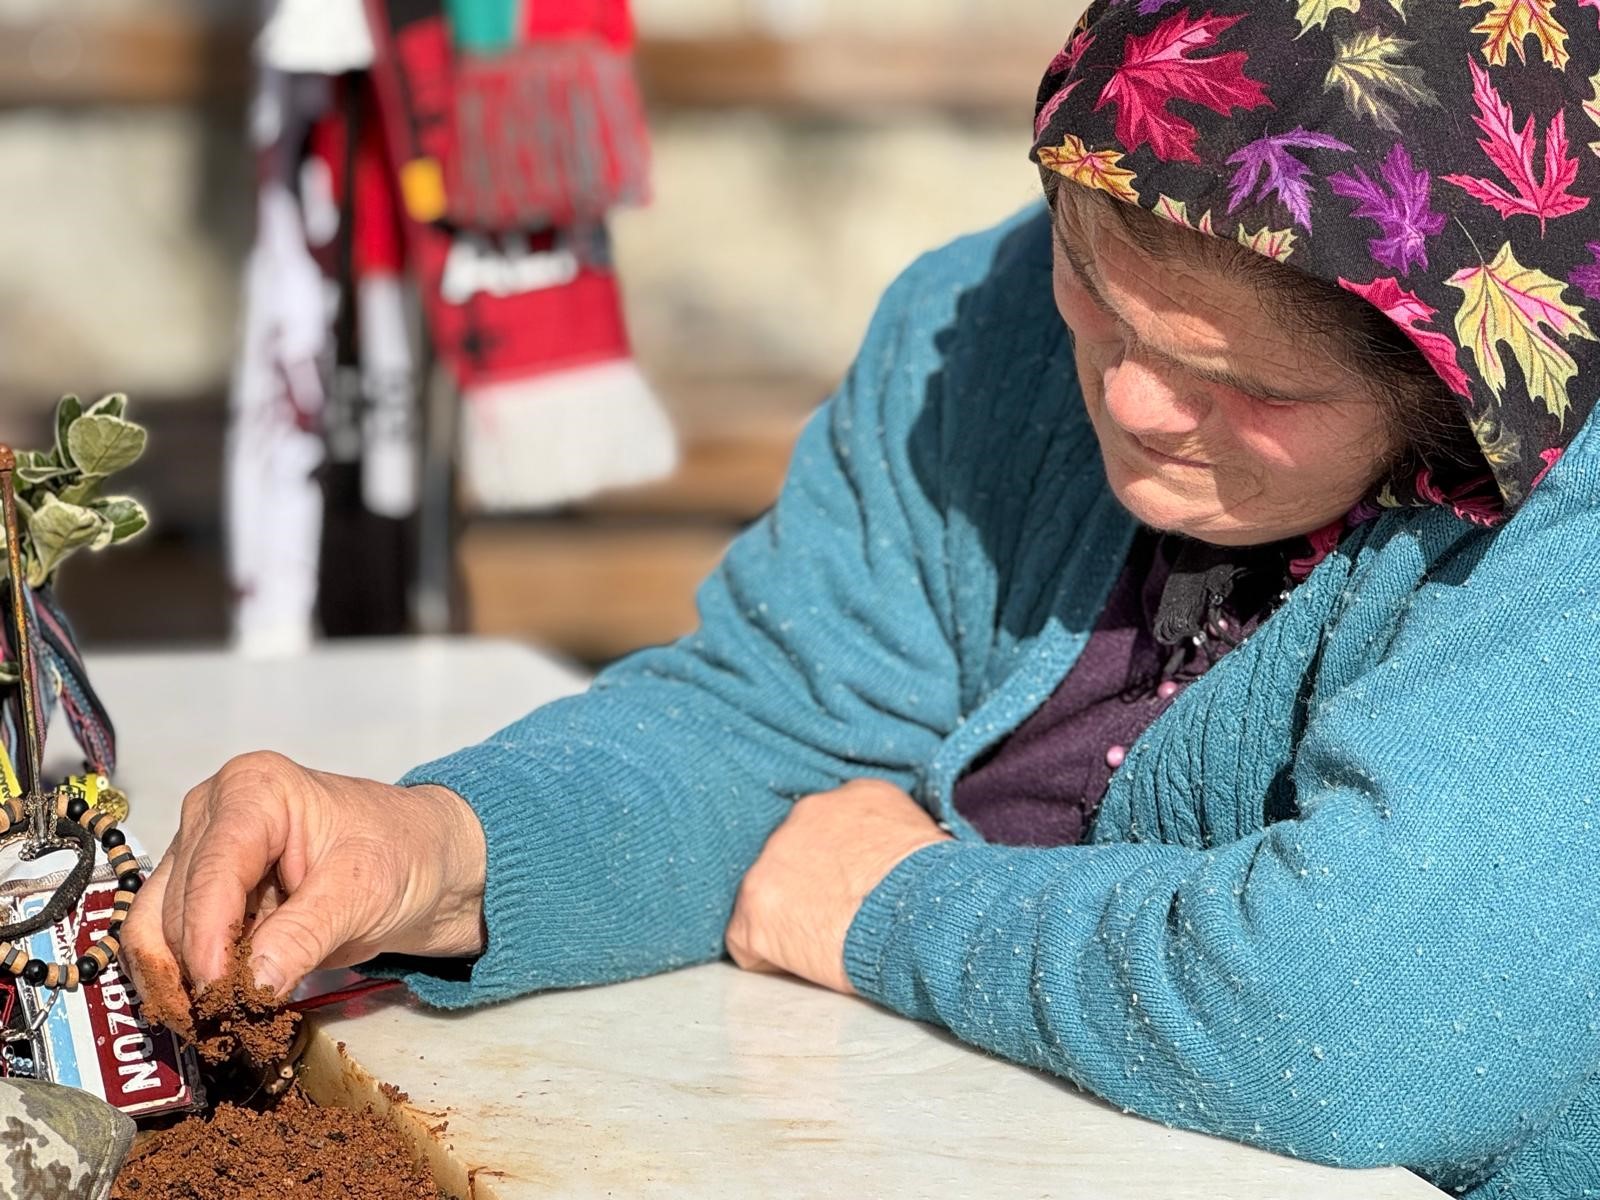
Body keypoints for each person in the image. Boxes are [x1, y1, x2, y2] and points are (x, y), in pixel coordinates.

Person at [125, 1, 1600, 1194]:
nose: (1136, 400)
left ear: (1449, 383)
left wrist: (889, 906)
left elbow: (1352, 1013)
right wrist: (440, 853)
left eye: (1253, 386)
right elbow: (777, 726)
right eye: (1099, 285)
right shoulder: (990, 324)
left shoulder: (1563, 514)